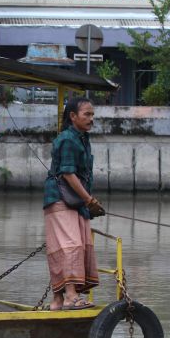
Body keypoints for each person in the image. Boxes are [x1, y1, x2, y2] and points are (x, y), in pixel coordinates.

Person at [43, 97, 105, 311]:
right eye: (87, 114)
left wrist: (86, 201)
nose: (91, 119)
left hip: (75, 202)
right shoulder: (69, 139)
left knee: (73, 245)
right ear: (73, 117)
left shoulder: (82, 138)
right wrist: (89, 200)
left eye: (92, 115)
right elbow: (68, 174)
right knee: (70, 245)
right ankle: (69, 296)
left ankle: (58, 301)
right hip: (61, 199)